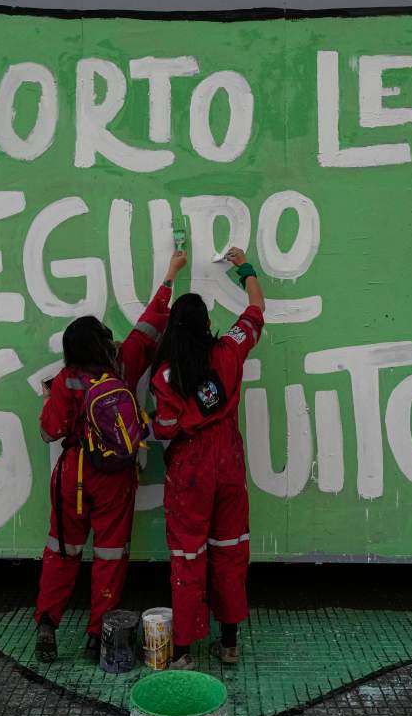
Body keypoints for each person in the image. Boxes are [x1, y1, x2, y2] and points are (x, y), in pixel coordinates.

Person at [34, 249, 188, 663]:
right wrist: (170, 275)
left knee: (62, 550)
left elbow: (49, 432)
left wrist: (50, 400)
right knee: (110, 555)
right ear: (102, 342)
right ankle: (96, 635)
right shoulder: (123, 364)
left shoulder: (66, 380)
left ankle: (47, 623)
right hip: (115, 477)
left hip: (73, 475)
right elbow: (149, 328)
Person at [149, 246, 264, 669]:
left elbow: (164, 427)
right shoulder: (229, 352)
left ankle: (183, 650)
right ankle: (229, 642)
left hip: (190, 471)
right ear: (206, 325)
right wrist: (245, 267)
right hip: (228, 462)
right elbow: (256, 311)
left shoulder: (165, 375)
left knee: (188, 556)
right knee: (230, 550)